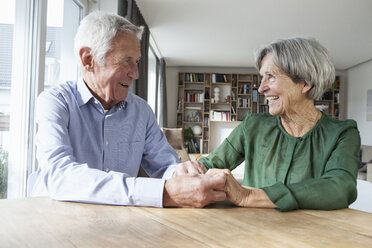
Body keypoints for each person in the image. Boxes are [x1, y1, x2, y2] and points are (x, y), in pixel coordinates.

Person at [28, 11, 226, 208]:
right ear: (88, 60)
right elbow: (59, 175)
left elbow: (166, 165)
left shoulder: (142, 111)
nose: (136, 73)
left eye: (137, 62)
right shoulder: (54, 102)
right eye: (126, 61)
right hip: (52, 220)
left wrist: (182, 173)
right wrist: (163, 193)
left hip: (115, 225)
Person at [201, 37, 361, 211]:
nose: (261, 88)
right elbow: (210, 165)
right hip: (249, 233)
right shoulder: (253, 126)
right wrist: (191, 169)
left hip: (312, 236)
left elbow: (340, 187)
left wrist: (248, 196)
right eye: (262, 77)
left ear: (305, 83)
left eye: (270, 77)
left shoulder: (343, 133)